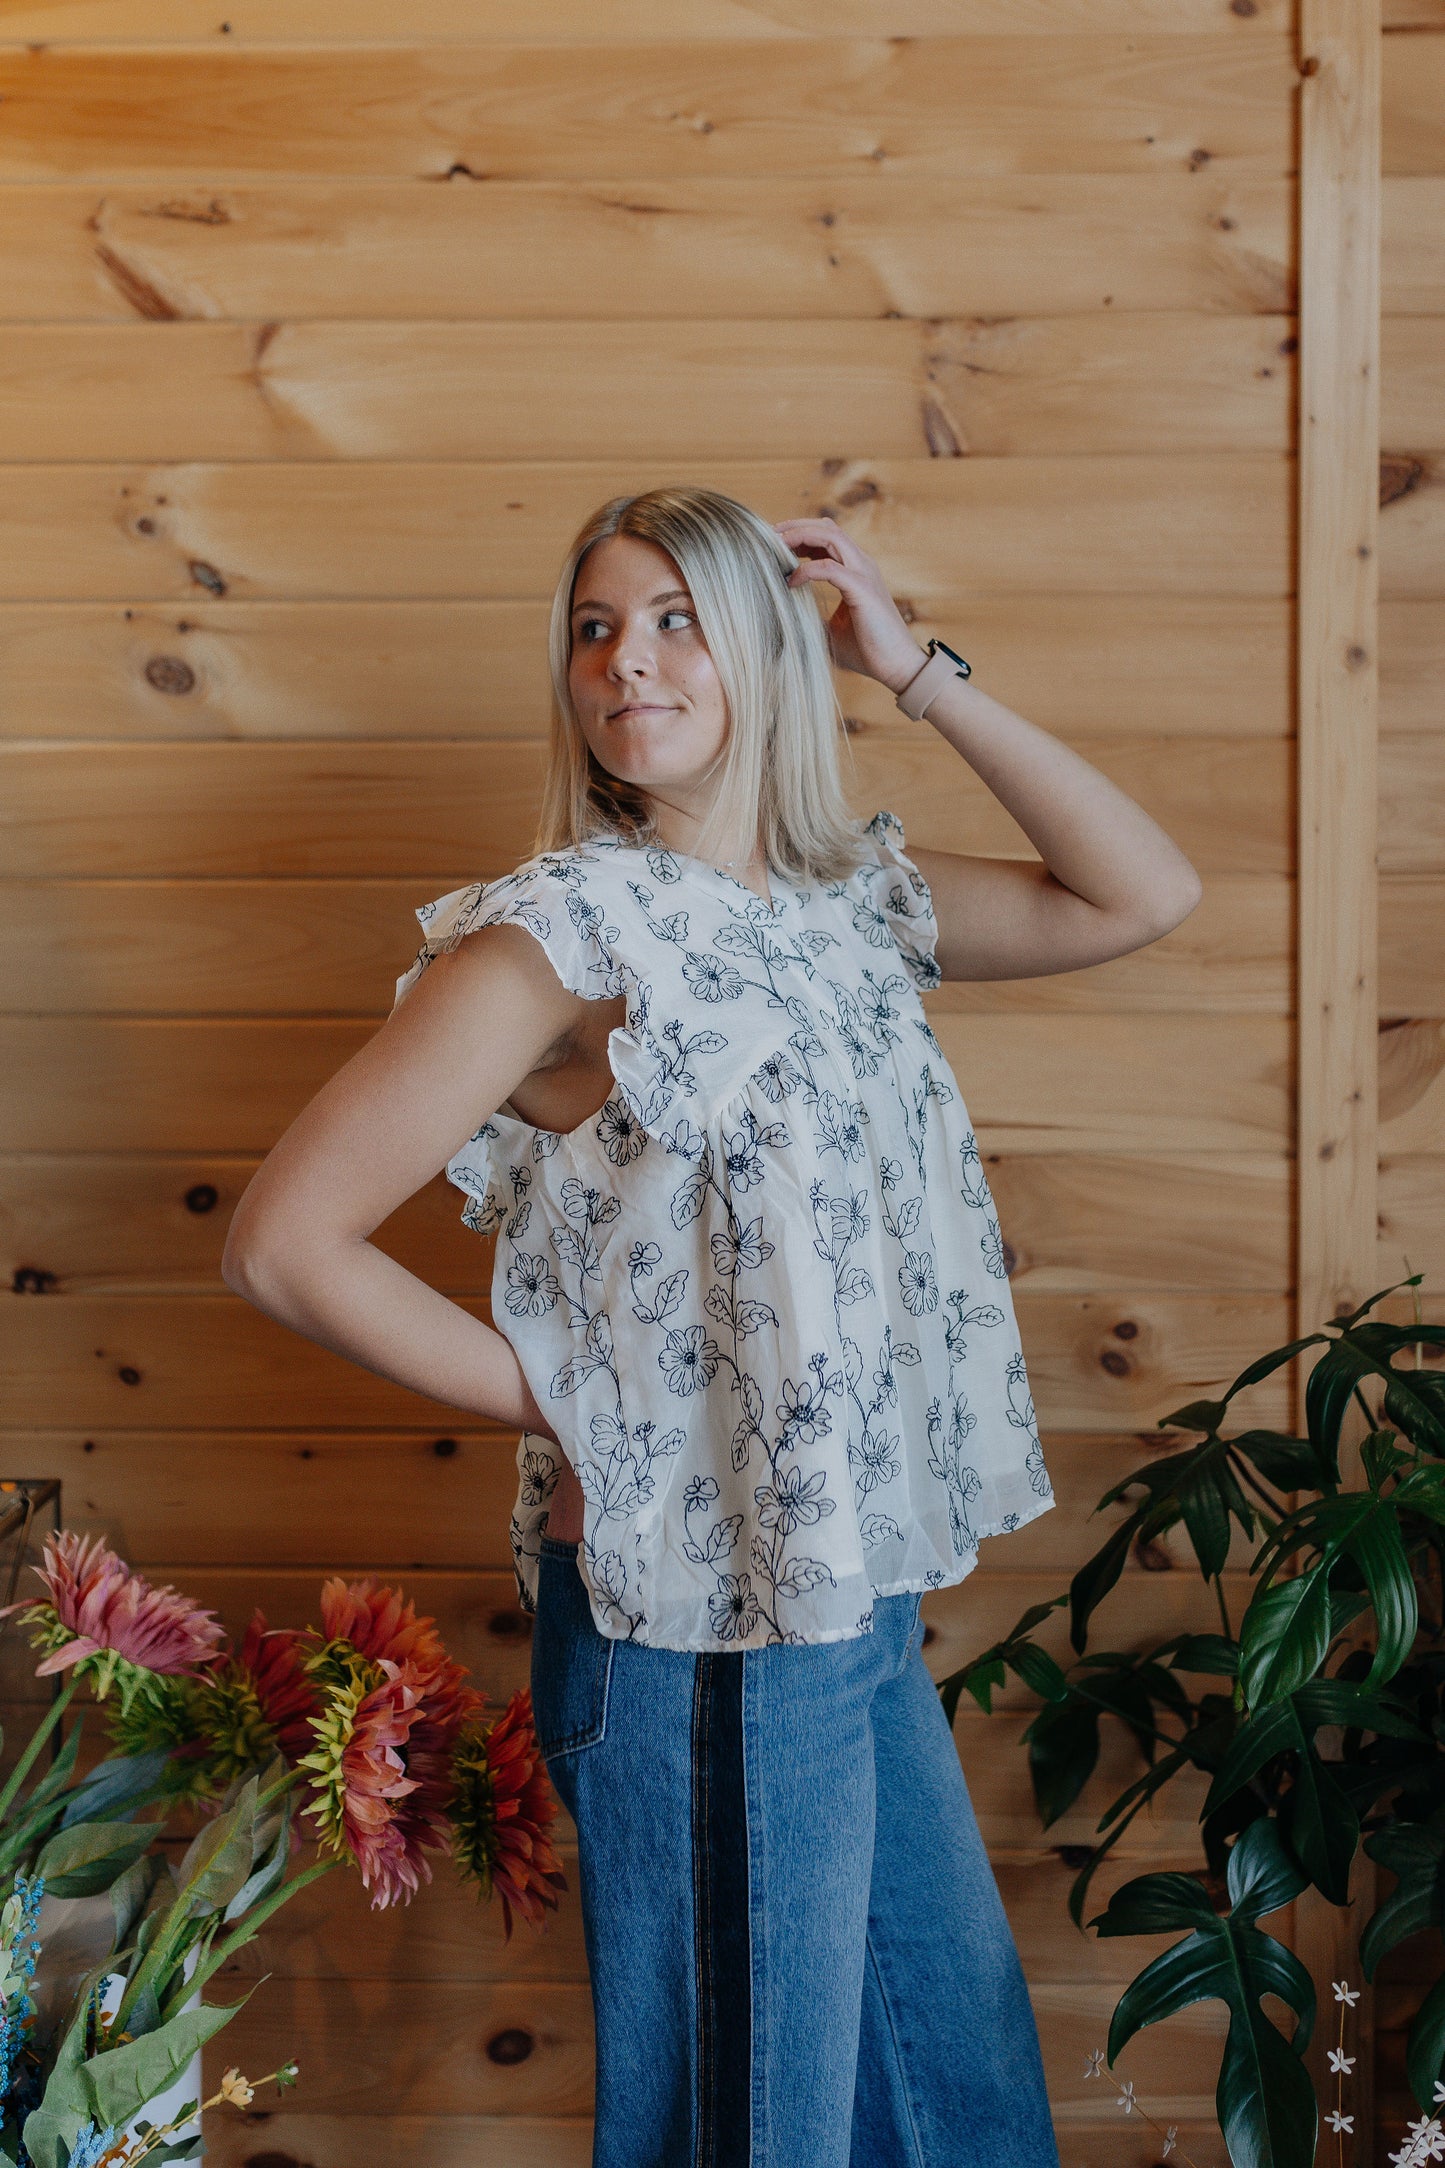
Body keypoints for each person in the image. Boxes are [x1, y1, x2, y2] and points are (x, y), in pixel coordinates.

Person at [222, 484, 1202, 2167]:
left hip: (847, 1594)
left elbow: (1138, 892)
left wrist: (914, 667)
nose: (626, 663)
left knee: (950, 2105)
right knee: (745, 2131)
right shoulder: (565, 933)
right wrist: (586, 1410)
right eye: (595, 628)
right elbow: (285, 1244)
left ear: (766, 646)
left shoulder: (843, 910)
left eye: (674, 617)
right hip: (690, 1621)